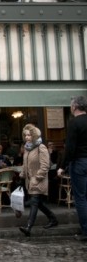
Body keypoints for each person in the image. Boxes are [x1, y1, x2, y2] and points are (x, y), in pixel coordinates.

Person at [18, 124, 58, 236]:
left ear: (34, 135)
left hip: (38, 180)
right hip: (29, 180)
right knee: (38, 202)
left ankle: (28, 227)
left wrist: (37, 178)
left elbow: (45, 165)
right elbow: (25, 164)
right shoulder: (27, 148)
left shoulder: (41, 147)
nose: (27, 137)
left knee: (34, 202)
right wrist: (22, 174)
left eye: (29, 135)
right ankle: (53, 219)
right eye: (25, 135)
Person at [57, 95, 87, 242]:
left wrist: (62, 166)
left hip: (79, 163)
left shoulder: (74, 123)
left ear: (74, 107)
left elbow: (70, 148)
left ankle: (86, 231)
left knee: (80, 198)